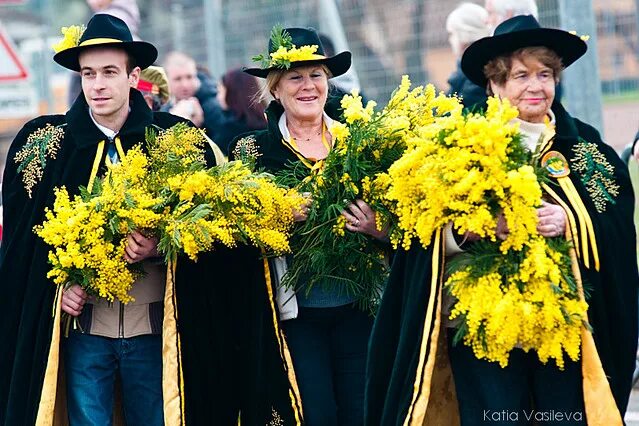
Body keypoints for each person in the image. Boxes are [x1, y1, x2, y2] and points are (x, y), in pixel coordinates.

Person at [365, 15, 638, 425]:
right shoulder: (457, 148)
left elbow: (617, 224)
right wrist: (468, 230)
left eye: (545, 74)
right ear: (494, 84)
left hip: (562, 324)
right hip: (481, 326)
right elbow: (417, 233)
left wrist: (570, 218)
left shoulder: (586, 149)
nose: (535, 86)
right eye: (521, 75)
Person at [231, 26, 388, 426]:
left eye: (316, 75)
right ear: (275, 89)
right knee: (314, 414)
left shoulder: (359, 141)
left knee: (362, 412)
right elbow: (232, 236)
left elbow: (403, 223)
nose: (307, 86)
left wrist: (376, 226)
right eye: (295, 77)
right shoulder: (251, 152)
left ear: (328, 83)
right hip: (294, 318)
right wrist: (277, 218)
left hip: (360, 309)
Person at [67, 0, 141, 105]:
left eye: (109, 72)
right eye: (88, 74)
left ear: (134, 76)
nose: (98, 85)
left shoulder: (108, 18)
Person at [162, 50, 224, 139]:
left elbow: (222, 145)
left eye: (189, 77)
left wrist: (198, 127)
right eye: (178, 79)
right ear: (167, 81)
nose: (185, 85)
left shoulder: (213, 105)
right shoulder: (164, 109)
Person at [445, 2, 492, 110]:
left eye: (452, 34)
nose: (450, 40)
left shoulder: (475, 78)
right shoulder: (464, 73)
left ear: (464, 36)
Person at [212, 67, 266, 154]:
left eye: (220, 91)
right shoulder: (271, 123)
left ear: (231, 93)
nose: (218, 97)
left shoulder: (229, 130)